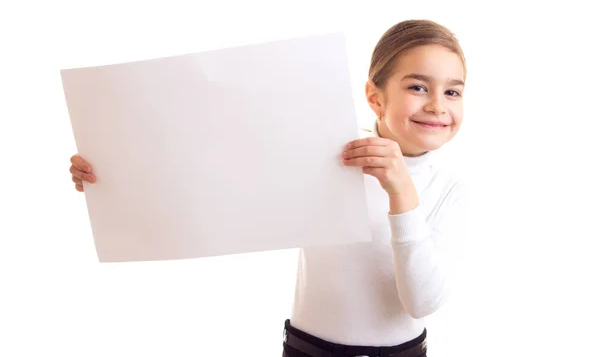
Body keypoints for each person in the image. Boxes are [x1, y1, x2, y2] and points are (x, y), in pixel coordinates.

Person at [69, 19, 468, 357]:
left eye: (452, 91)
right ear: (374, 97)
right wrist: (112, 178)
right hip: (305, 348)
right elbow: (212, 179)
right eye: (417, 87)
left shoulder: (449, 189)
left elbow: (423, 302)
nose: (437, 105)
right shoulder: (328, 156)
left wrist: (401, 193)